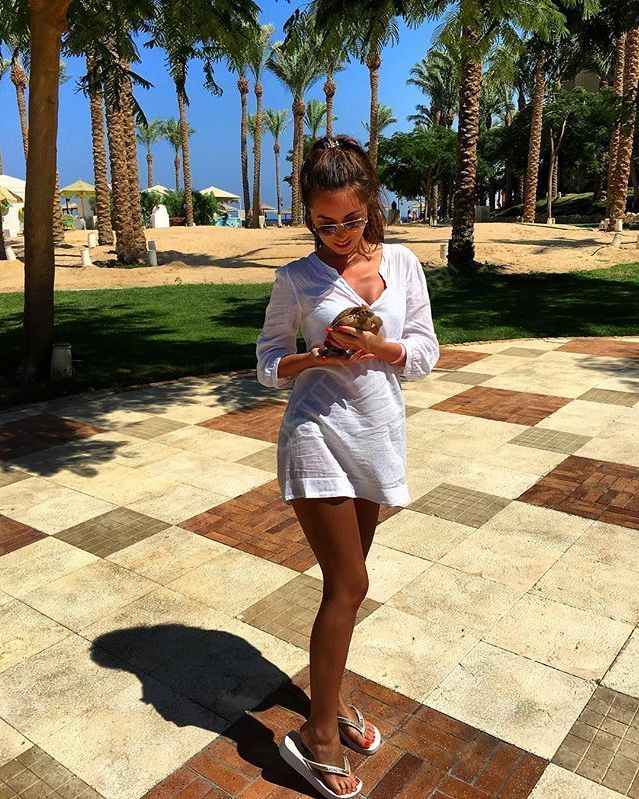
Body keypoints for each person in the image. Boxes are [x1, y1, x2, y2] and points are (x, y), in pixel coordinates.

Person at [256, 134, 440, 799]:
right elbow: (268, 362)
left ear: (371, 206)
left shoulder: (404, 264)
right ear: (308, 214)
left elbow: (425, 352)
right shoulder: (297, 279)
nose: (338, 235)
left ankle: (328, 703)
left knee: (348, 587)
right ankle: (318, 737)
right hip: (316, 433)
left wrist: (379, 347)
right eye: (324, 222)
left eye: (351, 220)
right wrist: (316, 357)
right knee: (349, 582)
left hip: (376, 434)